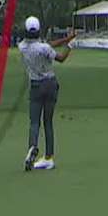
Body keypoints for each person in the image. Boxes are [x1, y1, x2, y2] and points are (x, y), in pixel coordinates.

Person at [20, 16, 74, 171]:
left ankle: (32, 147)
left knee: (34, 122)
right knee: (48, 122)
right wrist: (70, 44)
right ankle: (49, 158)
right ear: (39, 30)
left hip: (36, 86)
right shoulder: (44, 49)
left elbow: (47, 45)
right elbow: (61, 58)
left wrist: (66, 38)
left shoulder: (22, 46)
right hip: (51, 85)